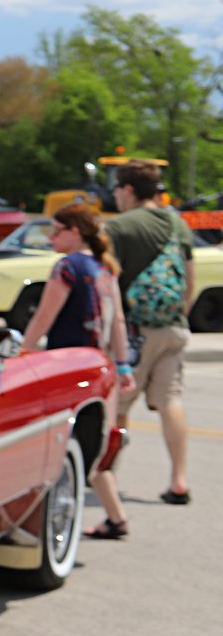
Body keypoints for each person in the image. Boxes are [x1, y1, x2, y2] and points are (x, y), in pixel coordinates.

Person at [20, 202, 137, 539]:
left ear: (75, 232)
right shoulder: (104, 267)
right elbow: (117, 320)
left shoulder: (68, 267)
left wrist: (22, 353)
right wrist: (123, 363)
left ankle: (41, 524)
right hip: (100, 366)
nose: (52, 237)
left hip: (66, 366)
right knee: (97, 443)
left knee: (59, 443)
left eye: (56, 230)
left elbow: (44, 316)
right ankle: (116, 517)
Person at [108, 159, 195, 505]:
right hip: (173, 326)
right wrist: (177, 314)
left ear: (128, 190)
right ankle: (179, 481)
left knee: (119, 406)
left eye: (116, 189)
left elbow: (108, 285)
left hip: (134, 331)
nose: (115, 195)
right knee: (170, 400)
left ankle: (106, 477)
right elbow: (189, 278)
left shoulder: (119, 227)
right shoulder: (178, 224)